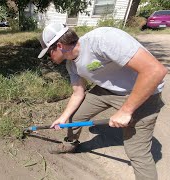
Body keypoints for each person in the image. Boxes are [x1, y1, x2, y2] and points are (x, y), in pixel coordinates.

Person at [38, 23, 167, 180]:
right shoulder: (71, 64)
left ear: (59, 46)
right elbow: (78, 93)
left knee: (137, 152)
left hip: (143, 94)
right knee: (75, 118)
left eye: (48, 53)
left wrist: (125, 111)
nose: (49, 58)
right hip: (106, 91)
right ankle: (70, 144)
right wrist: (63, 117)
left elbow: (156, 71)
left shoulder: (103, 40)